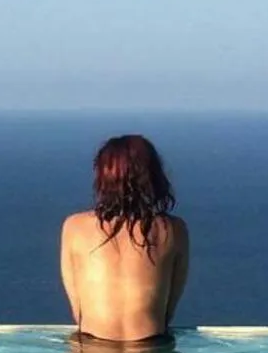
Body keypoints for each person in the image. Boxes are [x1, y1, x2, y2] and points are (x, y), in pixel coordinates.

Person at [59, 134, 189, 342]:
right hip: (150, 348)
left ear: (102, 177)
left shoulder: (74, 227)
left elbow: (78, 311)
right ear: (153, 176)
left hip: (92, 346)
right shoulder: (174, 230)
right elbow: (167, 312)